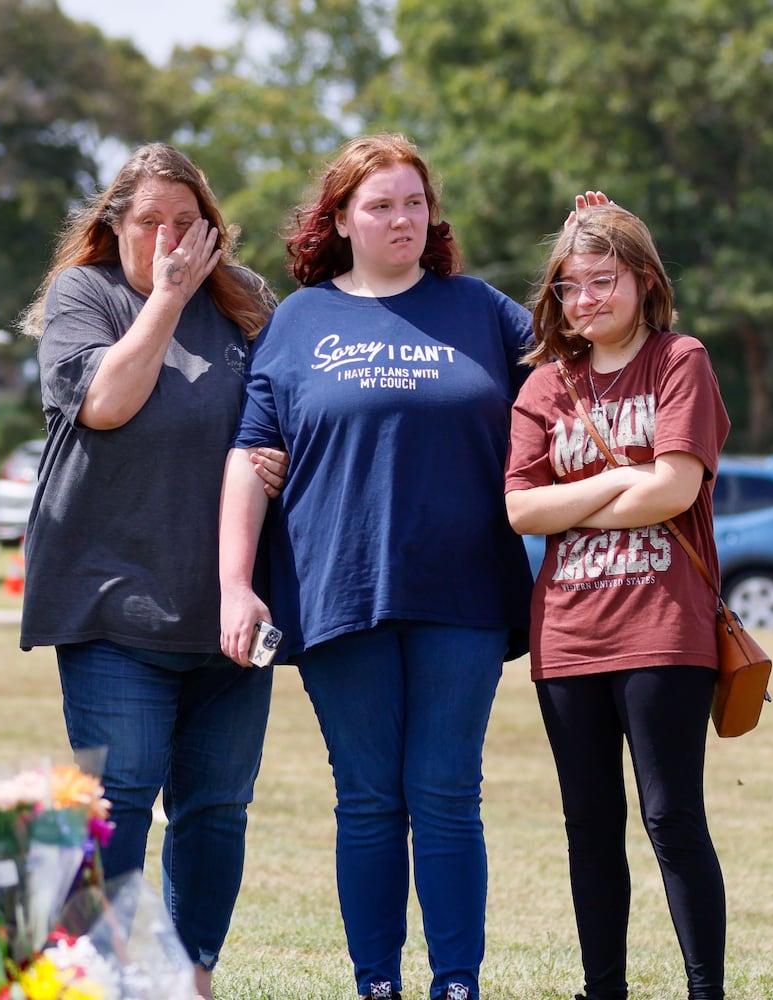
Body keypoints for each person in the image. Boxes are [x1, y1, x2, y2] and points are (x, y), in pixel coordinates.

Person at [217, 133, 535, 1000]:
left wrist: (601, 234)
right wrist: (235, 583)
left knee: (444, 790)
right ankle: (376, 984)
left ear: (432, 214)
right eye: (380, 205)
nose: (401, 218)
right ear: (343, 221)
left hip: (464, 590)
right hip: (335, 588)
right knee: (365, 798)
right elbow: (253, 455)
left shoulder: (483, 310)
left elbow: (581, 344)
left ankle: (457, 983)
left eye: (413, 202)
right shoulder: (298, 320)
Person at [16, 142, 286, 1000]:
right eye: (149, 223)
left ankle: (191, 974)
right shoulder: (83, 295)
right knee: (120, 795)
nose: (168, 240)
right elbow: (105, 403)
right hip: (111, 602)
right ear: (113, 226)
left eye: (186, 224)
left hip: (229, 609)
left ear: (212, 230)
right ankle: (95, 975)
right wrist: (167, 296)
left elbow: (289, 413)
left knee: (215, 807)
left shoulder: (247, 309)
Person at [503, 196, 731, 1000]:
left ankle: (707, 991)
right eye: (570, 286)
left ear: (642, 281)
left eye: (603, 281)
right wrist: (616, 479)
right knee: (590, 829)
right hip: (566, 636)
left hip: (664, 630)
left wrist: (591, 494)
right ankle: (604, 991)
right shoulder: (543, 387)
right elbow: (521, 509)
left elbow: (673, 489)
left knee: (671, 820)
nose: (586, 300)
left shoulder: (679, 361)